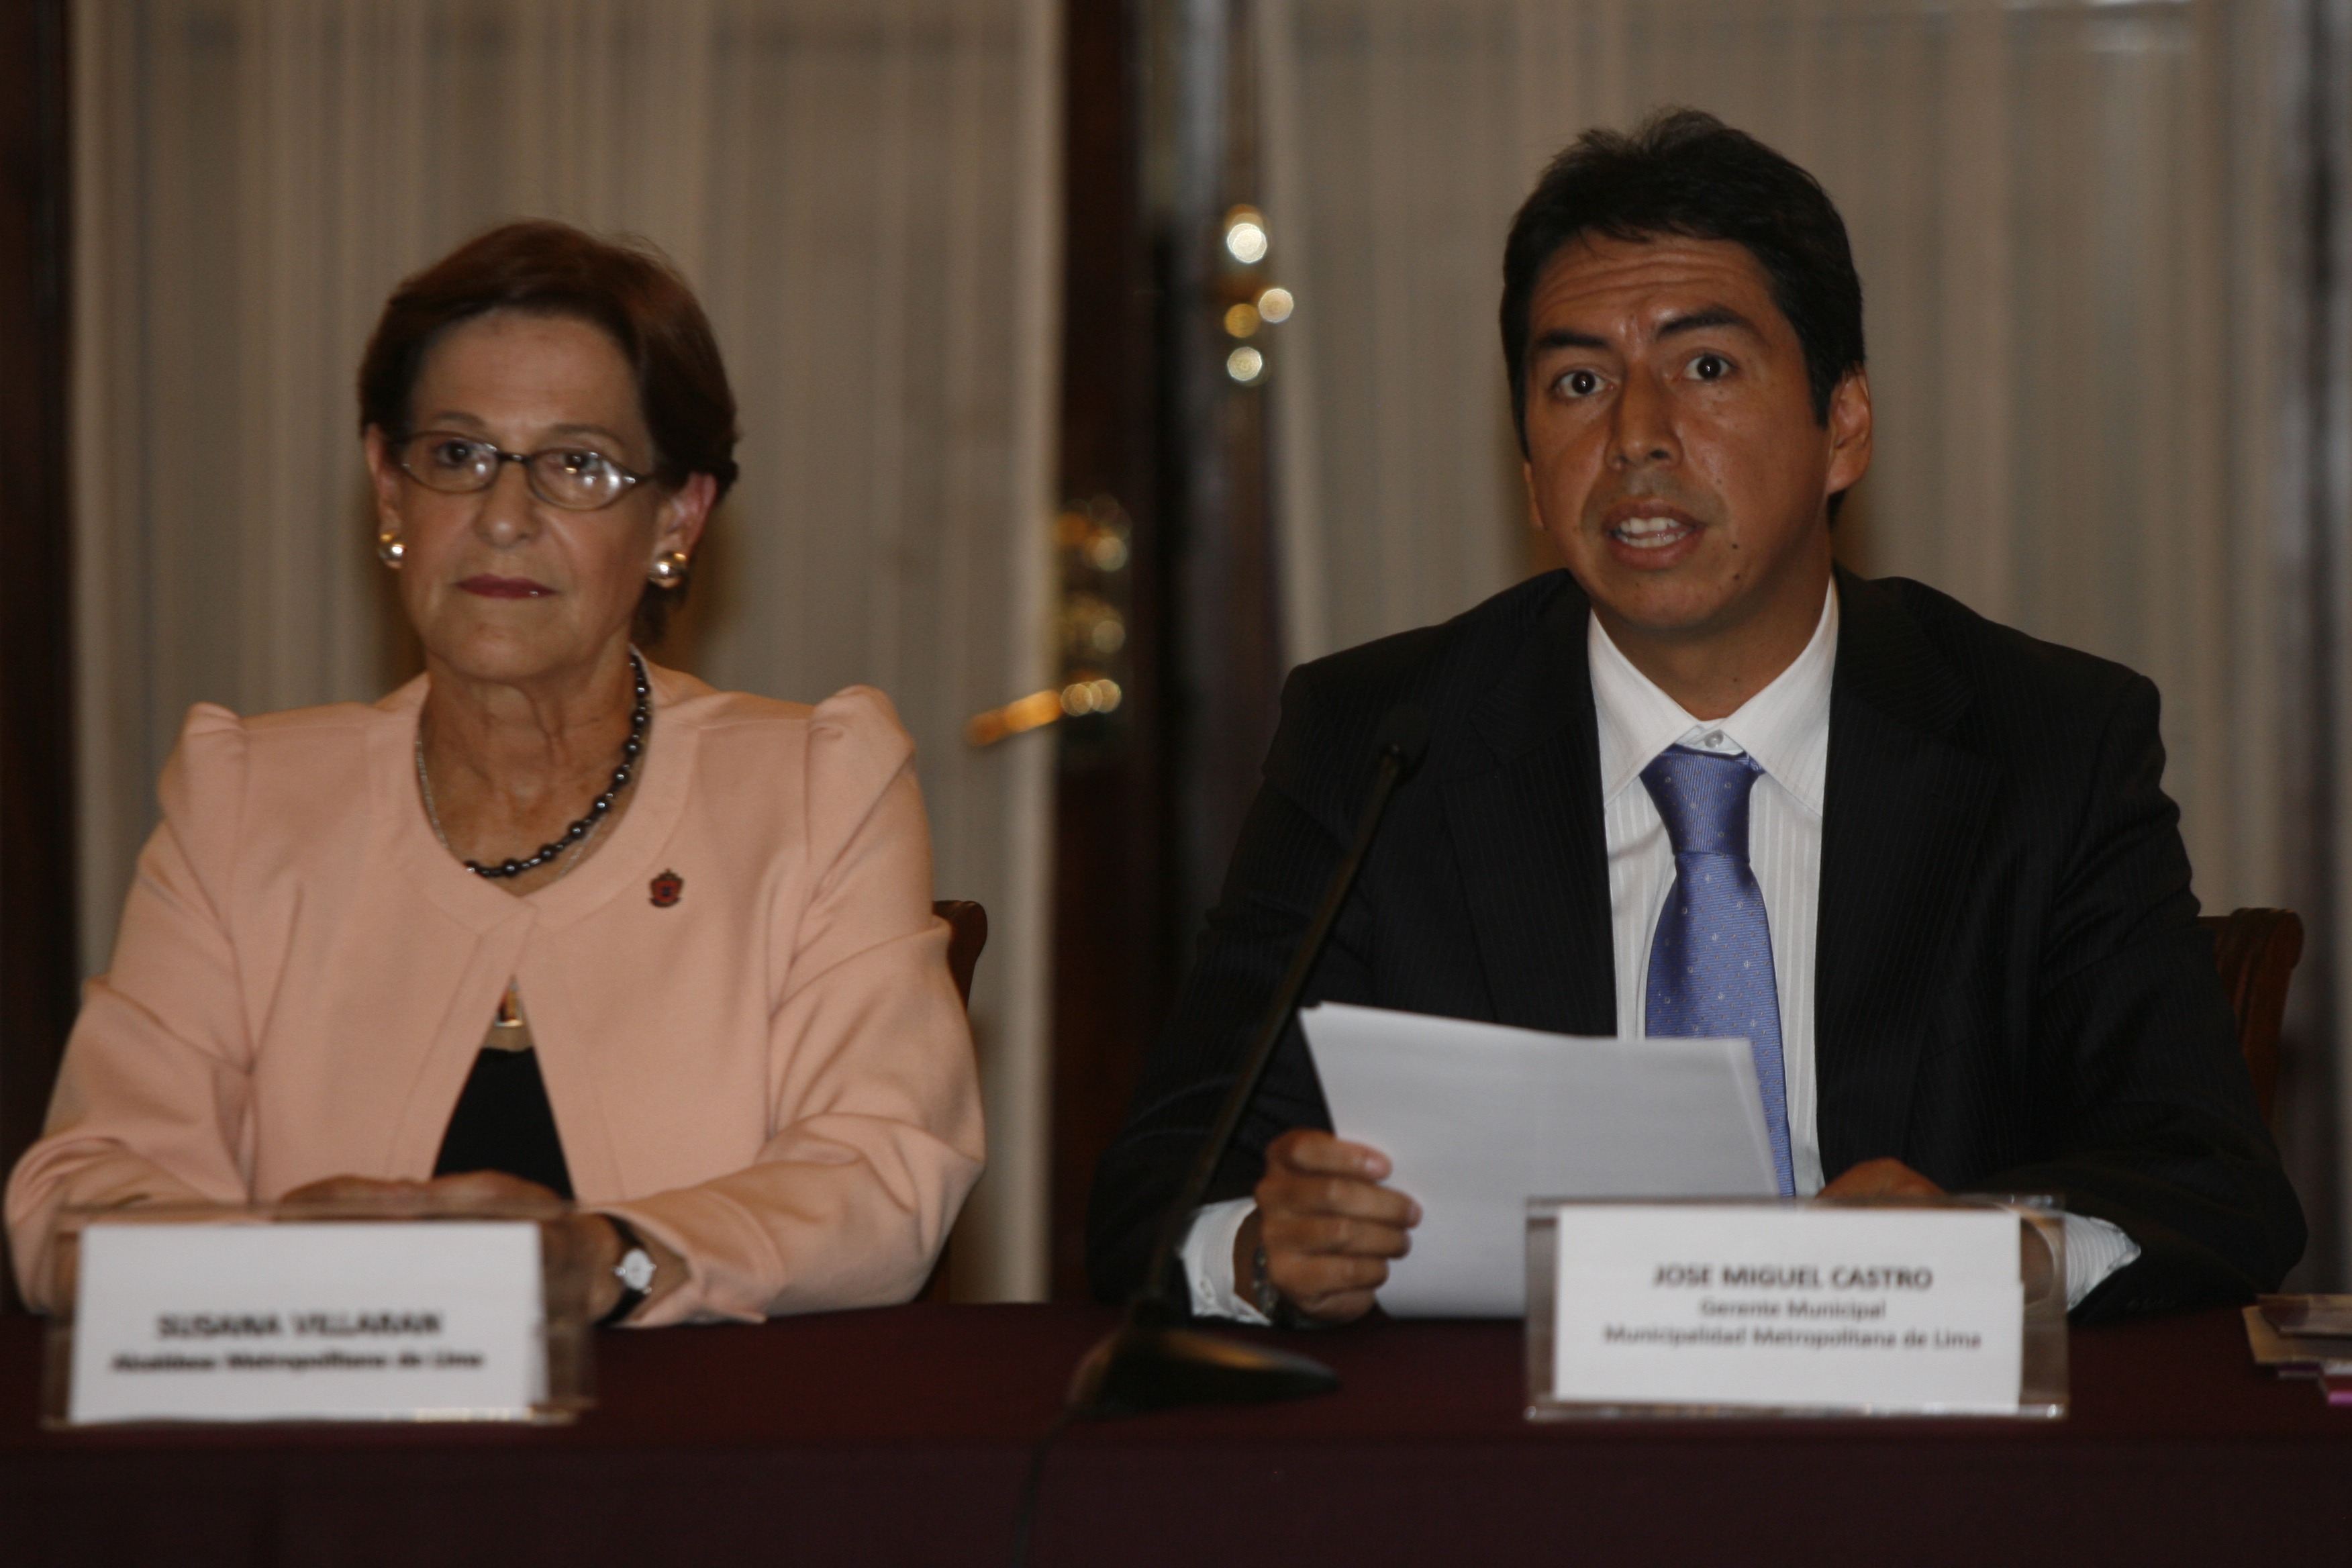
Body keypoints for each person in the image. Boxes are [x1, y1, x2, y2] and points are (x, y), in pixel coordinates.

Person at [1088, 110, 2303, 1327]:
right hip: (1518, 1474)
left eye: (1707, 368)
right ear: (1528, 472)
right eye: (1578, 383)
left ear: (1844, 426)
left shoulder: (2046, 741)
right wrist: (1258, 1248)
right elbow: (1158, 1191)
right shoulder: (1383, 741)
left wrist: (1993, 1248)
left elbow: (2213, 1189)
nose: (1635, 437)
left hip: (1922, 1464)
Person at [7, 221, 984, 1325]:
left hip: (695, 1462)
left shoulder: (814, 790)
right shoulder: (249, 802)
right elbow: (78, 1202)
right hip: (329, 1466)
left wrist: (607, 1258)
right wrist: (285, 1260)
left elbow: (881, 1180)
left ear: (677, 516)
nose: (505, 518)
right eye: (459, 456)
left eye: (578, 465)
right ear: (390, 490)